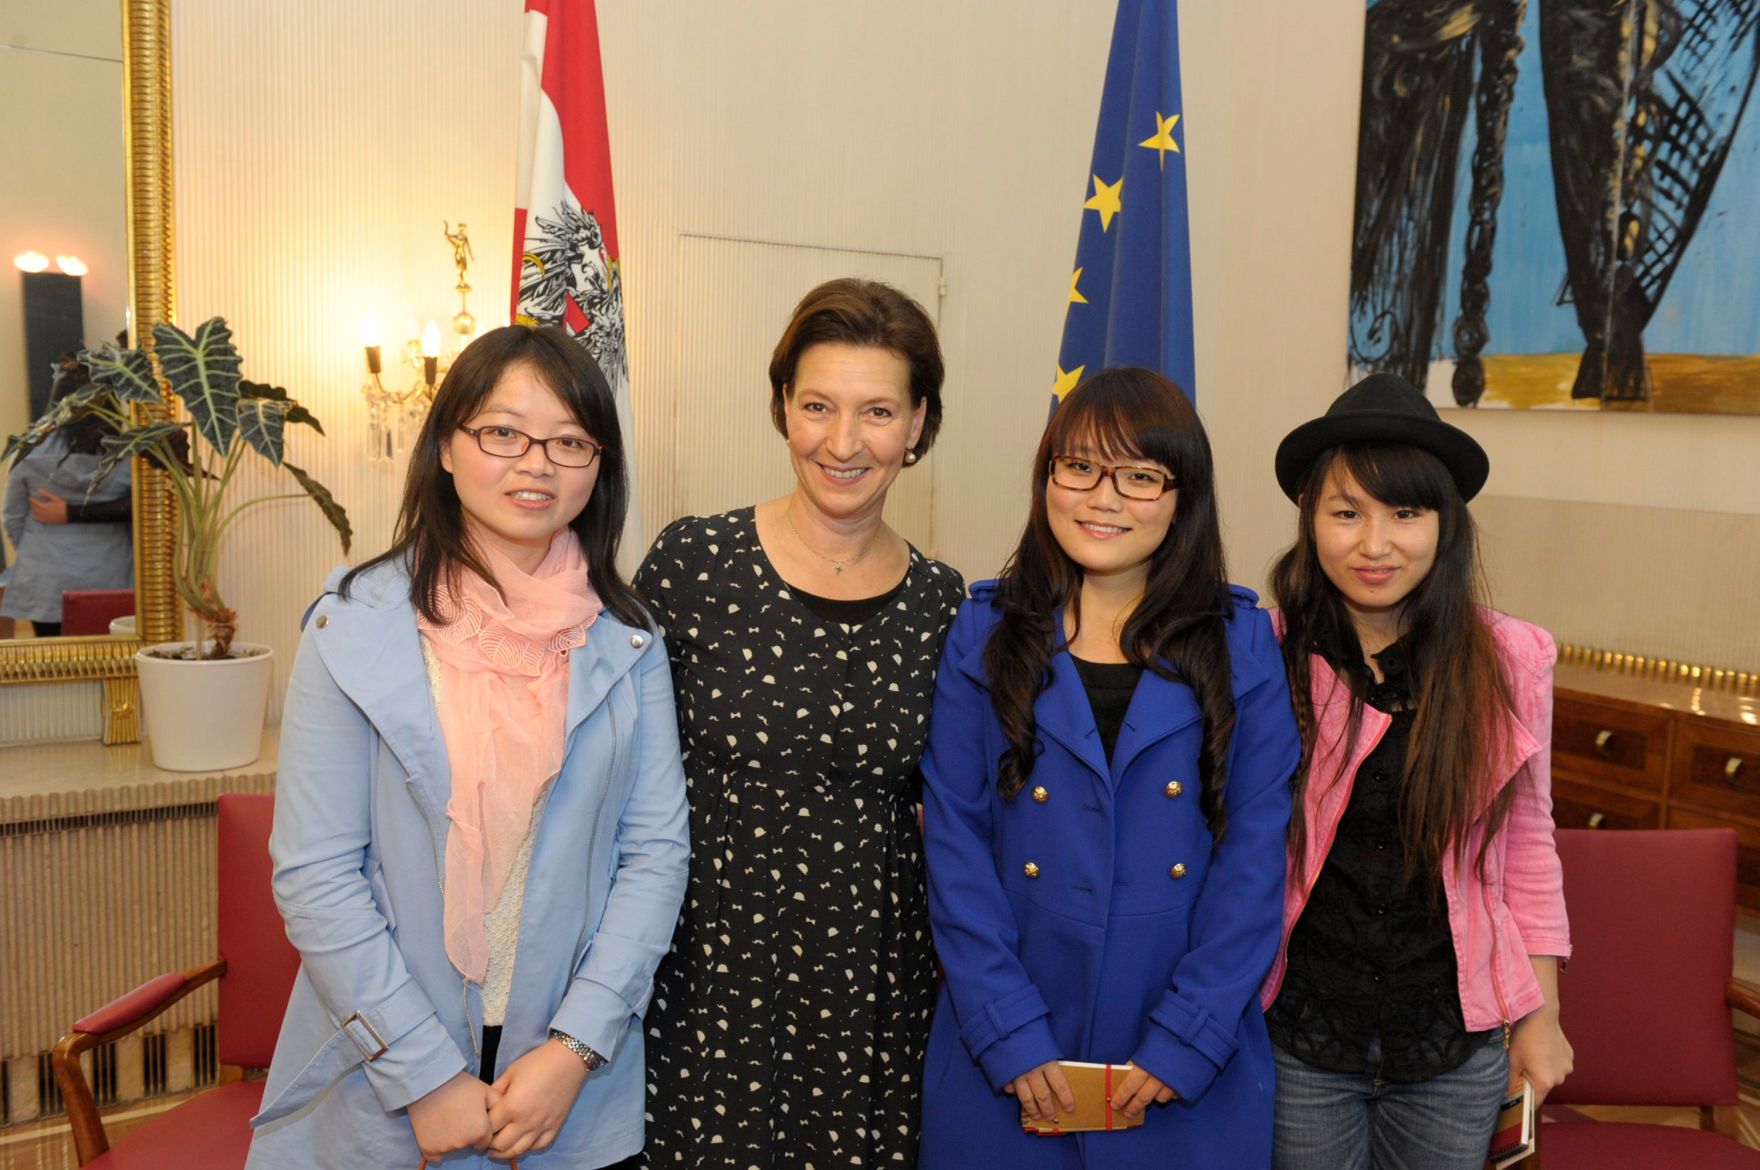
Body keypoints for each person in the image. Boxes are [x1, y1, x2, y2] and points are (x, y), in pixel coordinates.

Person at [246, 325, 689, 1169]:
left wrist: (575, 1048)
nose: (537, 463)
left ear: (600, 465)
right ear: (446, 446)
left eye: (570, 441)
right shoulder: (354, 624)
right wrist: (422, 1073)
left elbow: (655, 857)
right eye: (502, 433)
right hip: (382, 1078)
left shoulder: (629, 640)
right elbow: (317, 873)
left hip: (563, 1088)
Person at [918, 367, 1301, 1170]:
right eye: (1080, 467)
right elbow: (955, 845)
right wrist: (1009, 1033)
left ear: (1181, 495)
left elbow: (1254, 860)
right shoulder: (987, 631)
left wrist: (1185, 1040)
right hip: (1012, 1048)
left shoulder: (1241, 645)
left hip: (1178, 1057)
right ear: (1047, 476)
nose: (1104, 497)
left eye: (1140, 475)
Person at [634, 278, 964, 1167]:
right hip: (704, 984)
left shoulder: (946, 605)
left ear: (920, 423)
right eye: (818, 405)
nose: (844, 442)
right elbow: (615, 787)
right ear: (783, 407)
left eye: (879, 411)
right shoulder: (693, 563)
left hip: (874, 1003)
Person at [1260, 372, 1573, 1170]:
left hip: (1449, 1041)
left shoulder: (1509, 658)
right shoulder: (1266, 652)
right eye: (1346, 513)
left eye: (1406, 513)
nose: (1375, 544)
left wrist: (1542, 1015)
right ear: (1309, 521)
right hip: (1300, 1035)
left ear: (1446, 524)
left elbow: (1528, 847)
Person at [1, 359, 133, 636]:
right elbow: (141, 509)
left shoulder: (31, 451)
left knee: (58, 663)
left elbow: (13, 517)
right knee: (112, 657)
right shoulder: (127, 453)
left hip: (45, 576)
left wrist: (36, 547)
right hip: (111, 573)